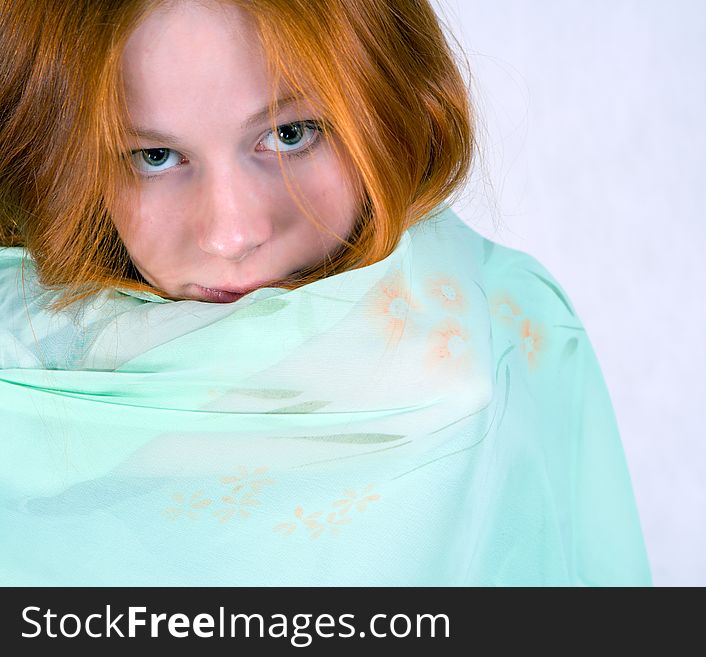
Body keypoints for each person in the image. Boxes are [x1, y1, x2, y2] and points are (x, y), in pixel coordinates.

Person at [0, 0, 652, 586]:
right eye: (154, 157)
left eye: (290, 135)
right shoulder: (19, 359)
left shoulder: (488, 341)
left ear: (391, 108)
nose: (232, 233)